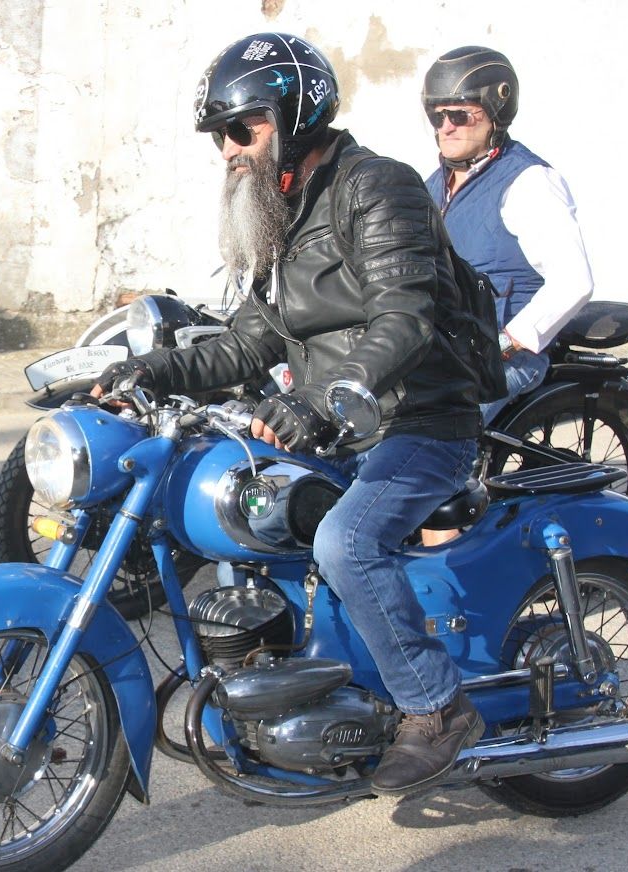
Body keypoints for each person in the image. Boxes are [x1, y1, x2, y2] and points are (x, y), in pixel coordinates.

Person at [92, 32, 486, 796]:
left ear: (295, 115)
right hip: (342, 425)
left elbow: (404, 319)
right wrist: (147, 369)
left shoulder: (378, 187)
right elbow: (247, 340)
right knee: (238, 510)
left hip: (419, 419)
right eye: (220, 136)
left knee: (346, 540)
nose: (229, 150)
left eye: (244, 130)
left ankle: (437, 707)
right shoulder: (279, 210)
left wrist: (319, 400)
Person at [419, 45, 594, 547]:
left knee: (428, 444)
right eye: (437, 115)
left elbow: (573, 279)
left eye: (459, 114)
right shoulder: (436, 183)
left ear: (495, 114)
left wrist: (510, 341)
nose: (445, 126)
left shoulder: (529, 182)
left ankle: (446, 577)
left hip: (501, 354)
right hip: (445, 347)